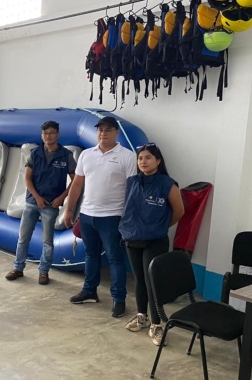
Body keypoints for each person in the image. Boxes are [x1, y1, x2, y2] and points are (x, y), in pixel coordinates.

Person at [64, 116, 137, 318]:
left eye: (108, 130)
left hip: (112, 217)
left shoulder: (128, 157)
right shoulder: (87, 155)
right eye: (100, 130)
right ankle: (89, 291)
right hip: (87, 215)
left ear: (116, 133)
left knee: (115, 258)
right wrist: (69, 210)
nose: (103, 134)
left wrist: (128, 219)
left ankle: (119, 299)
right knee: (91, 255)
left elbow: (132, 191)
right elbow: (77, 184)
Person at [120, 143, 184, 346]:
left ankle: (157, 324)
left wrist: (160, 227)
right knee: (139, 279)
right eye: (140, 158)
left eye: (148, 158)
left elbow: (179, 211)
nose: (143, 162)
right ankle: (142, 316)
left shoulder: (167, 184)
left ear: (158, 160)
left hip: (155, 240)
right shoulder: (132, 182)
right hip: (132, 237)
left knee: (152, 282)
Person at [5, 121, 76, 285]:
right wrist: (36, 197)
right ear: (41, 135)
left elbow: (75, 180)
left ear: (58, 135)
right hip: (32, 202)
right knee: (23, 238)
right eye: (45, 133)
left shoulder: (66, 156)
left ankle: (44, 271)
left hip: (52, 204)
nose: (48, 136)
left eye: (51, 133)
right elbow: (27, 178)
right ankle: (18, 268)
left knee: (47, 241)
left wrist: (62, 197)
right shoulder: (35, 153)